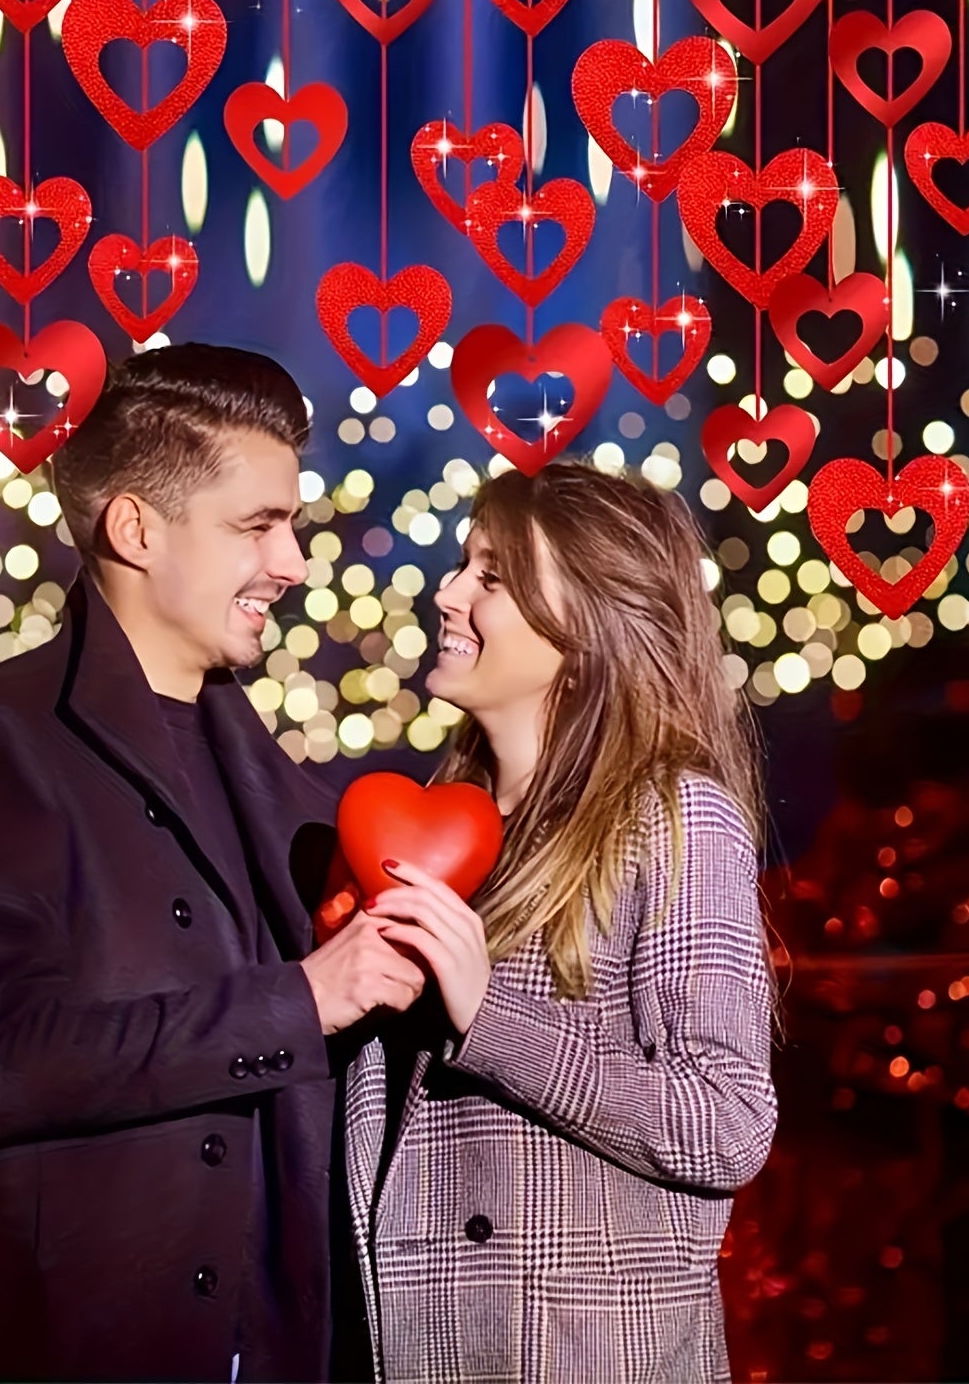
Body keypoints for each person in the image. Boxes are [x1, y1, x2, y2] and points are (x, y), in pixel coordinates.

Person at [0, 343, 425, 1383]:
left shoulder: (288, 787)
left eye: (291, 526)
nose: (294, 564)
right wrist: (300, 1002)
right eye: (257, 527)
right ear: (135, 528)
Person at [342, 459, 780, 1384]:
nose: (449, 594)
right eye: (463, 565)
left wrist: (489, 1017)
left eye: (493, 577)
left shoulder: (673, 817)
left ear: (584, 630)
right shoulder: (437, 824)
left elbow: (728, 1122)